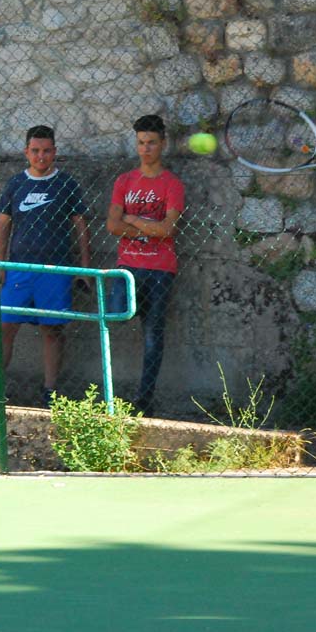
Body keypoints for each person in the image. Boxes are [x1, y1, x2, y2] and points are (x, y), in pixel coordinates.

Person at [0, 125, 90, 406]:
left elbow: (80, 225)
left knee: (52, 330)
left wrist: (84, 267)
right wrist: (1, 264)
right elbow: (3, 225)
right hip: (19, 270)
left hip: (55, 271)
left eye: (46, 151)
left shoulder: (66, 184)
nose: (41, 156)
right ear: (26, 152)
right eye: (35, 150)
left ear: (55, 152)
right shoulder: (16, 184)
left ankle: (50, 392)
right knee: (5, 327)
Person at [105, 114, 185, 417]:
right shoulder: (124, 181)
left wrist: (133, 218)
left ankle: (144, 398)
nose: (145, 149)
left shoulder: (172, 184)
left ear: (163, 143)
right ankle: (108, 394)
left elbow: (168, 229)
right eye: (141, 143)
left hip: (160, 268)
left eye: (151, 142)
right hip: (128, 266)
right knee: (113, 316)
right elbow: (112, 225)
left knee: (153, 334)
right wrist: (148, 227)